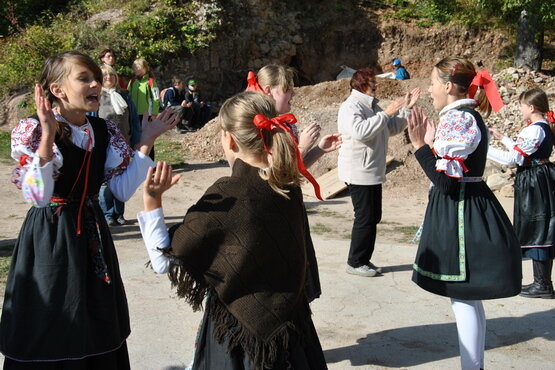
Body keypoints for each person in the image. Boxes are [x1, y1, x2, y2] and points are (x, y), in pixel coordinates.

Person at [0, 51, 179, 369]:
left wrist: (147, 140)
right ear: (57, 89)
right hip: (51, 238)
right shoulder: (34, 131)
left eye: (97, 77)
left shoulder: (104, 131)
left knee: (96, 318)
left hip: (93, 235)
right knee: (53, 317)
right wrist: (48, 133)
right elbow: (38, 196)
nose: (96, 83)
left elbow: (121, 189)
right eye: (84, 78)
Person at [137, 91, 328, 369]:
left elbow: (163, 260)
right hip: (292, 330)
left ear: (228, 138)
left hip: (237, 338)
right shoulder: (286, 185)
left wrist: (152, 201)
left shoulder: (230, 193)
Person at [407, 57, 521, 369]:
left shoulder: (459, 119)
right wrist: (430, 145)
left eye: (432, 82)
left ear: (447, 86)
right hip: (467, 203)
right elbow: (450, 172)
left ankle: (472, 366)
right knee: (467, 296)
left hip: (462, 210)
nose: (430, 89)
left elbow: (444, 183)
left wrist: (420, 147)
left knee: (463, 296)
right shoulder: (463, 116)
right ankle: (474, 365)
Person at [246, 64, 342, 301]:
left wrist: (318, 150)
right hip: (267, 211)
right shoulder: (253, 126)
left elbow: (292, 172)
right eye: (287, 89)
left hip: (289, 207)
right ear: (268, 91)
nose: (293, 94)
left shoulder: (285, 123)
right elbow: (266, 175)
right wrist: (302, 148)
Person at [337, 67, 420, 277]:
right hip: (358, 171)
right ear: (363, 84)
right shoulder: (350, 107)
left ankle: (363, 259)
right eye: (374, 82)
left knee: (374, 216)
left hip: (372, 170)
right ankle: (355, 262)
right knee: (364, 217)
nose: (378, 85)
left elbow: (390, 128)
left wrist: (405, 110)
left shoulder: (372, 105)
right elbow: (360, 132)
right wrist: (387, 112)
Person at [487, 87, 555, 299]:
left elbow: (514, 158)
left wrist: (483, 148)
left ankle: (542, 284)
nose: (520, 109)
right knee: (540, 226)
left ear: (531, 107)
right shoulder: (540, 127)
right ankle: (541, 282)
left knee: (538, 227)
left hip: (535, 181)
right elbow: (521, 151)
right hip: (538, 178)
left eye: (521, 106)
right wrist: (503, 138)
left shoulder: (535, 129)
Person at [97, 64, 142, 226]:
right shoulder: (96, 97)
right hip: (104, 146)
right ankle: (108, 214)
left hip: (124, 146)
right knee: (105, 183)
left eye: (111, 74)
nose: (108, 77)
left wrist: (137, 140)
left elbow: (134, 121)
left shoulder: (125, 96)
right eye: (105, 75)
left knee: (121, 180)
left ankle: (119, 213)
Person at [128, 58, 160, 159]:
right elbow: (128, 96)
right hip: (134, 114)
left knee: (148, 138)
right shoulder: (132, 81)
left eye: (139, 66)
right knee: (136, 139)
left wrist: (154, 114)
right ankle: (139, 162)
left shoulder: (151, 81)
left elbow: (156, 99)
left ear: (145, 68)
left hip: (147, 114)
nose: (136, 69)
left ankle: (150, 163)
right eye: (135, 67)